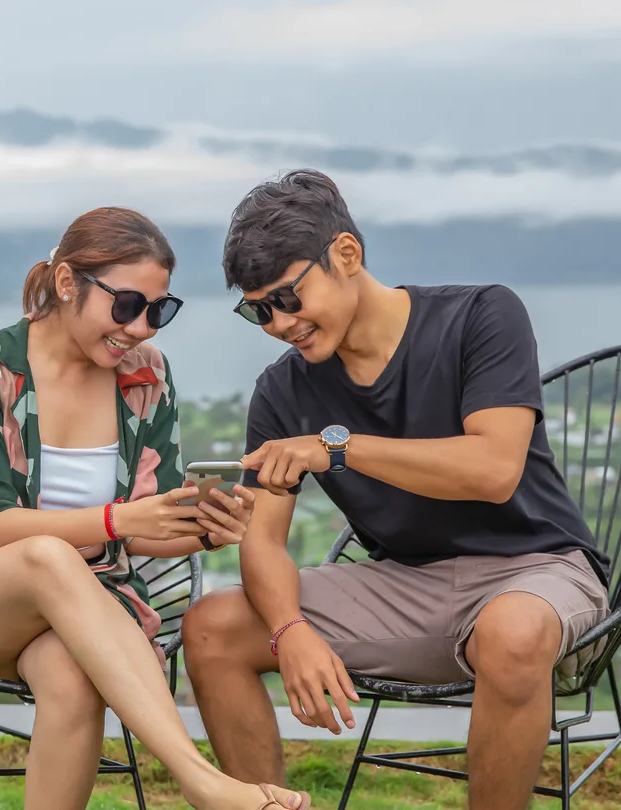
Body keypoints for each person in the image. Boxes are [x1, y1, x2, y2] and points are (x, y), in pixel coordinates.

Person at [181, 170, 611, 810]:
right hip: (405, 585)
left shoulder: (482, 314)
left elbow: (494, 472)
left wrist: (335, 447)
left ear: (347, 255)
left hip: (538, 569)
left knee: (513, 632)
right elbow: (264, 542)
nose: (277, 324)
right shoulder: (283, 390)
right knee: (211, 626)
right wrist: (288, 628)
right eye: (258, 310)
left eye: (288, 298)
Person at [0, 207, 311, 810]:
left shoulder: (147, 376)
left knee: (71, 679)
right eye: (126, 306)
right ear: (68, 283)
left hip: (93, 606)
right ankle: (200, 781)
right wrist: (117, 521)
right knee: (44, 556)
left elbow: (149, 530)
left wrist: (204, 530)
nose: (142, 328)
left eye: (158, 311)